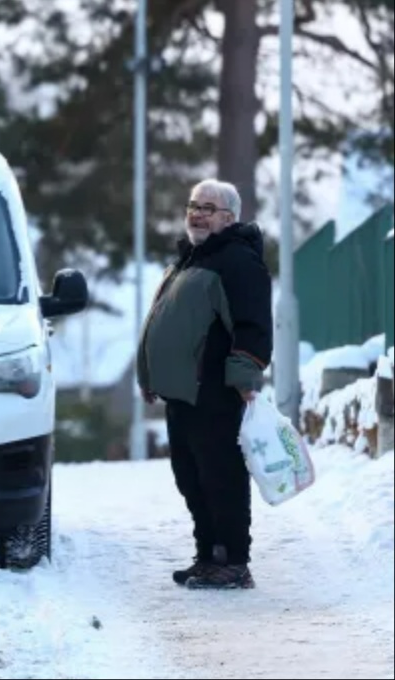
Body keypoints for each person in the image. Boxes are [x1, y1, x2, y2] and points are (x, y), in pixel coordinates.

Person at [135, 178, 273, 590]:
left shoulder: (237, 261)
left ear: (229, 218)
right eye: (193, 205)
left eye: (208, 208)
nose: (196, 213)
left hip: (214, 390)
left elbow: (252, 326)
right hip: (183, 393)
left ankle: (233, 560)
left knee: (221, 476)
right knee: (190, 476)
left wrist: (245, 379)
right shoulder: (192, 259)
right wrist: (149, 375)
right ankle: (208, 554)